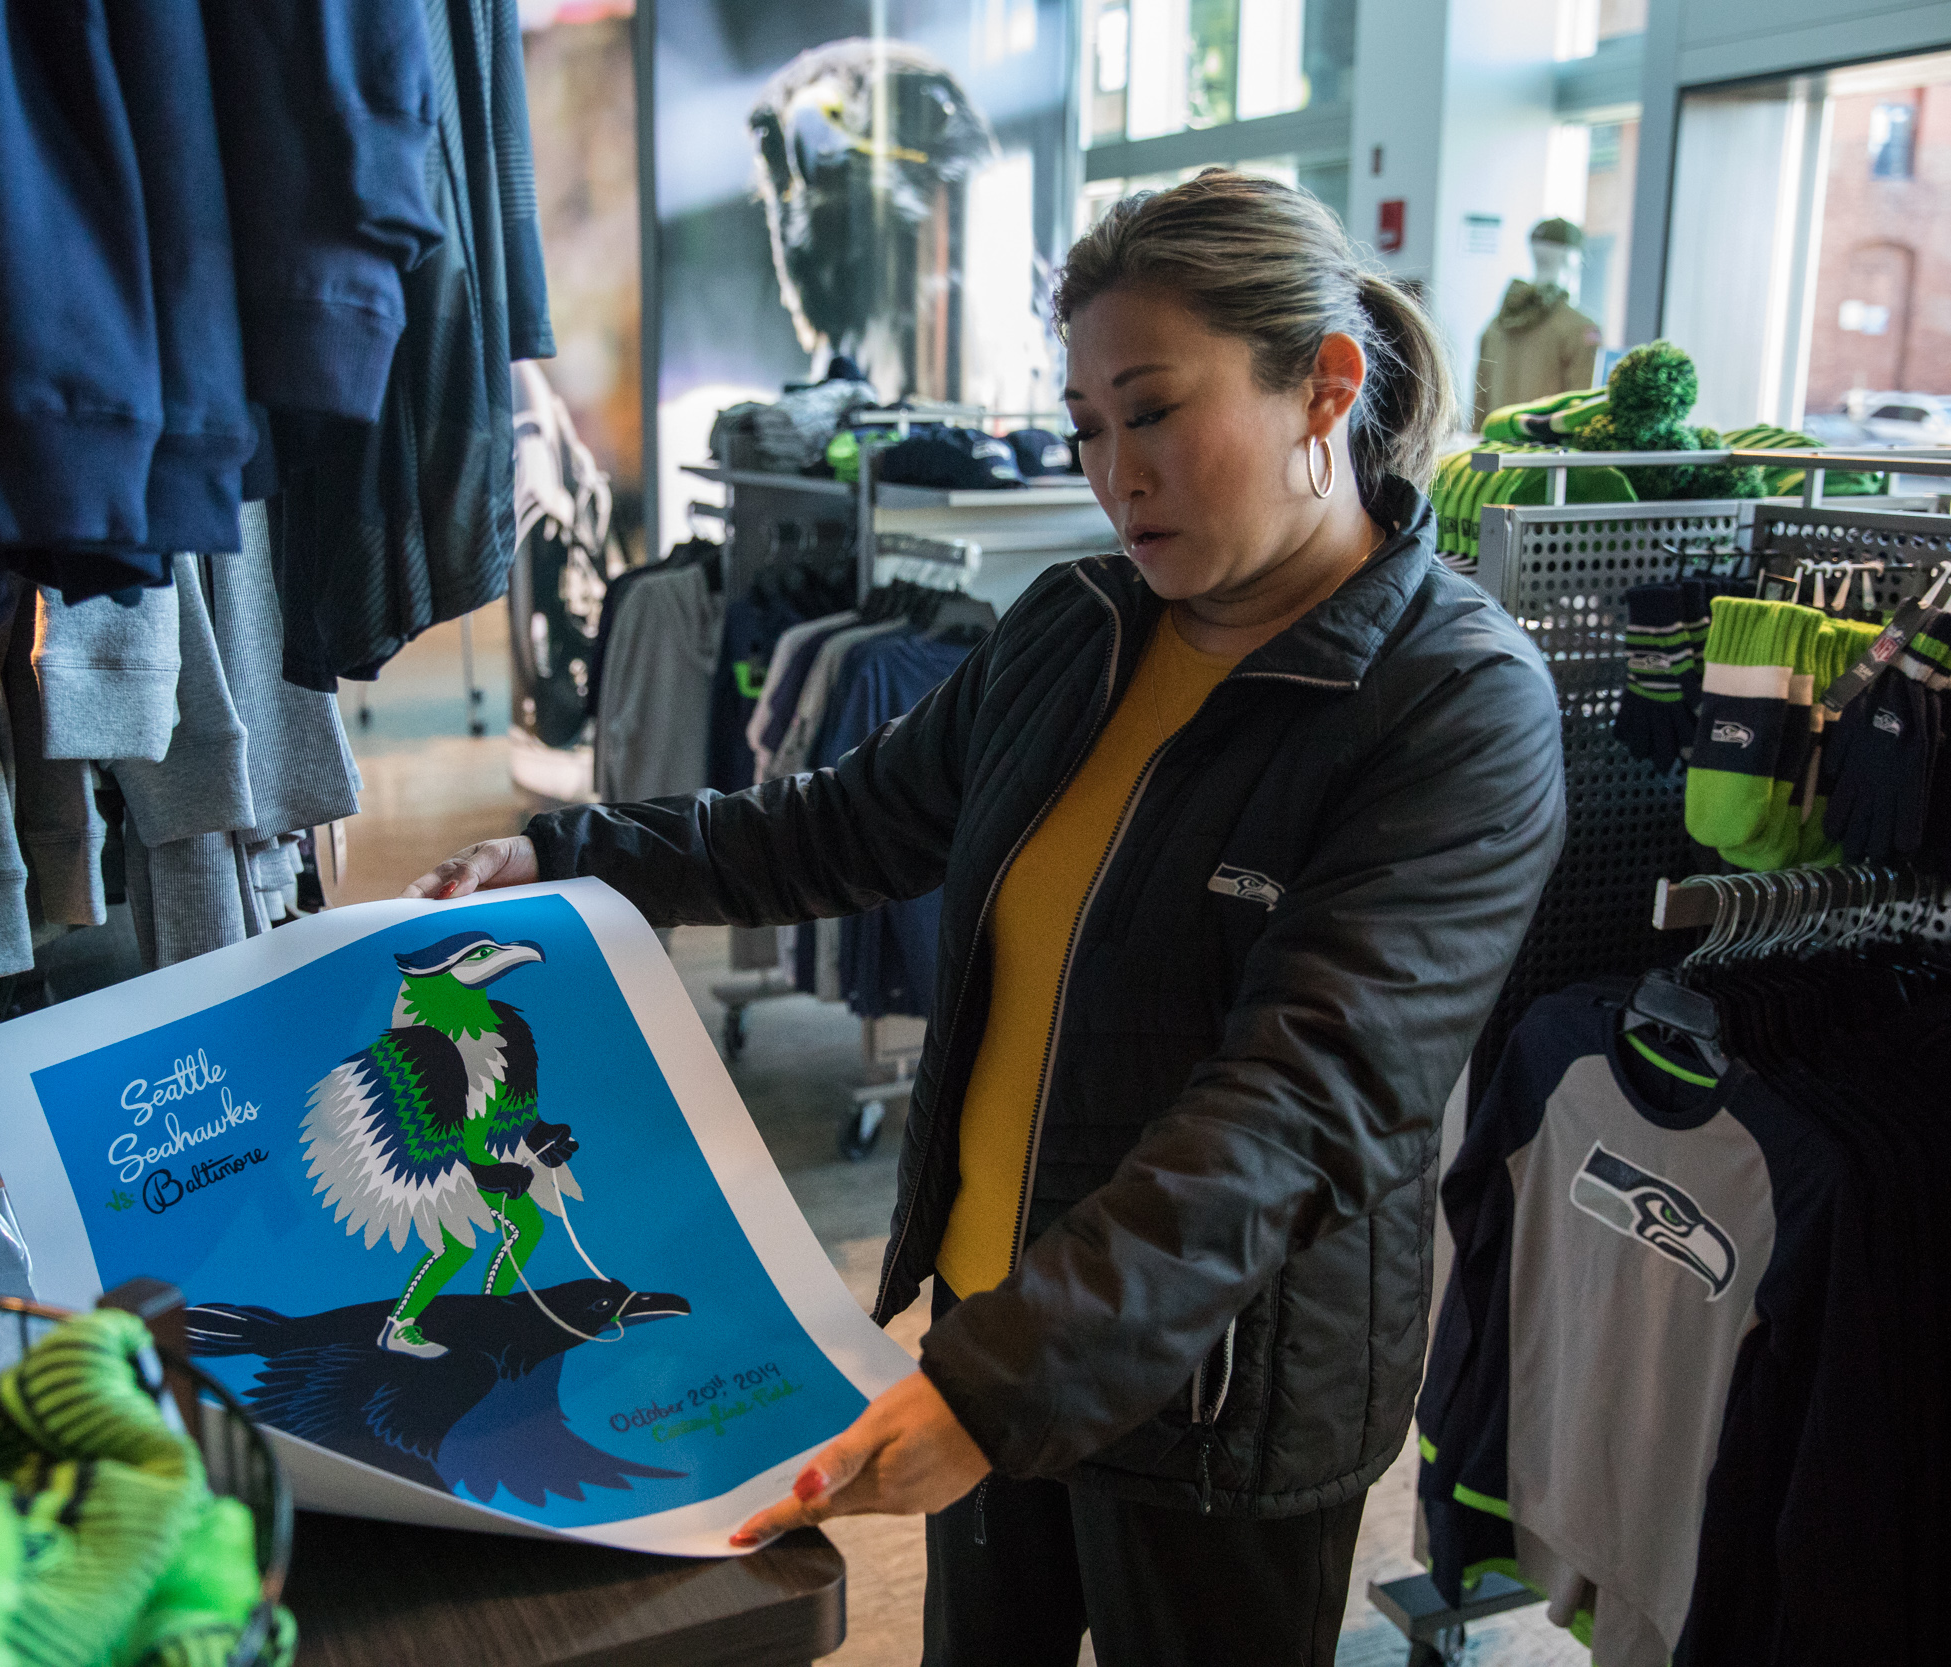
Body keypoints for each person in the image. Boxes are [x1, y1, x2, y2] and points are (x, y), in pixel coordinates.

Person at [406, 170, 1567, 1666]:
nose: (1114, 471)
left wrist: (996, 1385)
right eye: (1088, 427)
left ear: (1323, 388)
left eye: (1153, 410)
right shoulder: (1073, 632)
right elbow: (840, 826)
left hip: (1220, 1398)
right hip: (994, 1326)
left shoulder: (1454, 704)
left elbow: (1304, 1101)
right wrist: (567, 854)